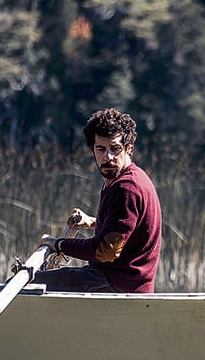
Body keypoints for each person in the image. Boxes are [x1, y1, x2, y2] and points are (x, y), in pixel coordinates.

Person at [37, 108, 162, 293]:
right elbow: (124, 228)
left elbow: (107, 251)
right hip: (113, 279)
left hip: (117, 285)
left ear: (128, 149)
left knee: (28, 284)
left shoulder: (127, 188)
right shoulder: (121, 181)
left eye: (115, 149)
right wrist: (93, 222)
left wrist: (59, 245)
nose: (108, 157)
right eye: (101, 149)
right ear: (92, 150)